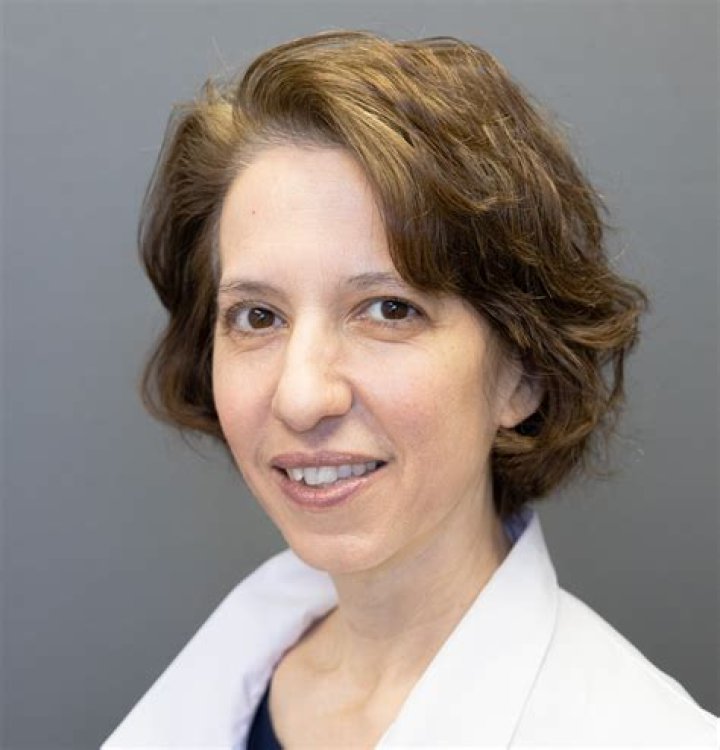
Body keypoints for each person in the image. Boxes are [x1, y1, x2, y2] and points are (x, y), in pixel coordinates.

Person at [102, 30, 717, 749]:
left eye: (389, 310)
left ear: (523, 372)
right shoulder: (221, 690)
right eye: (258, 316)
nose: (301, 397)